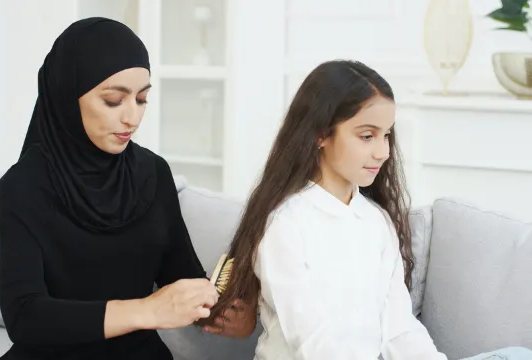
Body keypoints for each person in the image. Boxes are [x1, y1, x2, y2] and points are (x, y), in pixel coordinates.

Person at [208, 60, 532, 359]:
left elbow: (398, 330)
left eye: (387, 135)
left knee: (517, 355)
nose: (383, 152)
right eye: (367, 136)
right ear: (321, 133)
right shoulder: (285, 224)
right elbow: (315, 343)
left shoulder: (375, 221)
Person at [0, 17, 256, 360]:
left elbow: (184, 280)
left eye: (142, 99)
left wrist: (226, 313)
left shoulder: (153, 174)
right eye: (114, 101)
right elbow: (25, 317)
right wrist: (146, 310)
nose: (132, 117)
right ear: (66, 95)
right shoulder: (22, 186)